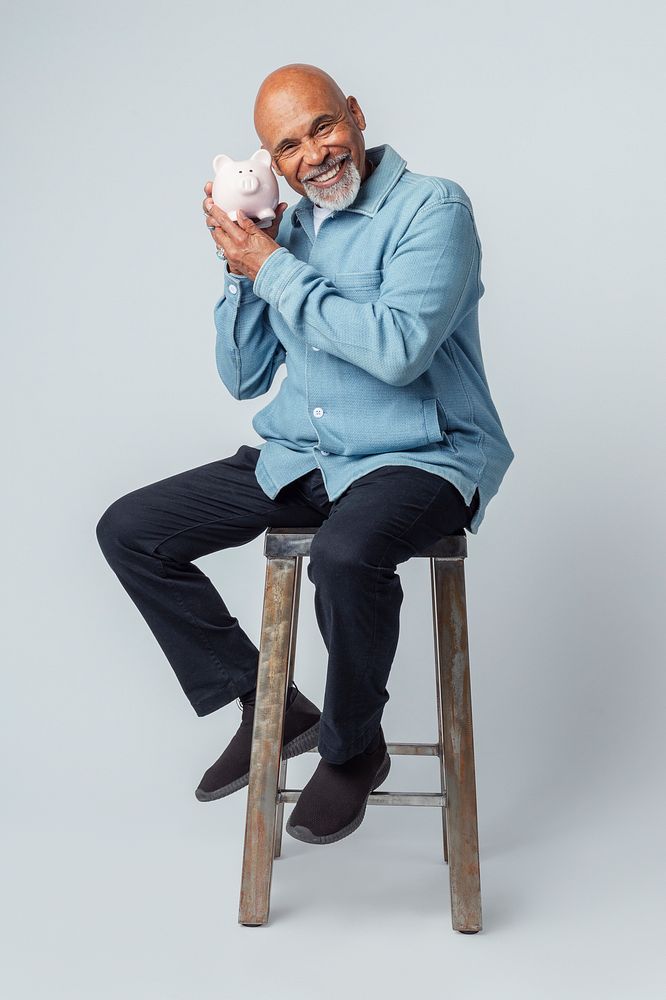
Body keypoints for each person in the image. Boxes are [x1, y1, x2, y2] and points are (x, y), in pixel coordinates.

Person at [96, 62, 514, 847]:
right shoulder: (285, 235)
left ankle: (354, 747)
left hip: (421, 455)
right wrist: (240, 268)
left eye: (323, 126)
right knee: (130, 530)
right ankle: (268, 702)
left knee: (348, 556)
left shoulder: (434, 208)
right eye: (288, 145)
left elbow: (398, 350)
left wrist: (276, 270)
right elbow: (244, 375)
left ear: (354, 114)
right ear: (272, 160)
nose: (314, 155)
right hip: (309, 452)